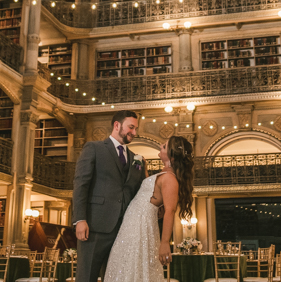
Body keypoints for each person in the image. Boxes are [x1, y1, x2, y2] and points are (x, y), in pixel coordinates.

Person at [103, 136, 195, 282]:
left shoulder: (170, 179)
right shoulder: (163, 174)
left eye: (164, 146)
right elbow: (149, 192)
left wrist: (165, 242)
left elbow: (170, 211)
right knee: (126, 263)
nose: (160, 145)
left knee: (135, 264)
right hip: (132, 223)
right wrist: (144, 170)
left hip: (141, 226)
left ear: (171, 154)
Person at [73, 110, 144, 282]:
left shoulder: (138, 159)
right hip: (95, 226)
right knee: (86, 276)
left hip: (124, 229)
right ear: (117, 125)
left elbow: (138, 191)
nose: (134, 133)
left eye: (135, 129)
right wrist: (80, 219)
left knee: (116, 278)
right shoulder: (94, 148)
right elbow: (81, 184)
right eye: (131, 127)